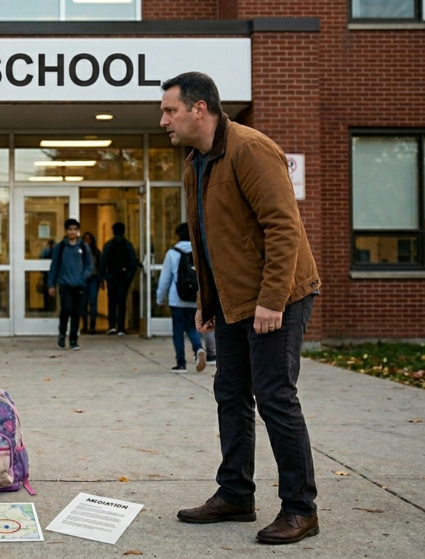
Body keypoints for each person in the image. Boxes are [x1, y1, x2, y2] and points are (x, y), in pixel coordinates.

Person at [161, 71, 322, 545]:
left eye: (170, 110)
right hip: (233, 301)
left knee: (274, 396)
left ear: (200, 110)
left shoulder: (250, 149)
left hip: (279, 295)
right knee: (230, 392)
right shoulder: (196, 163)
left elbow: (283, 227)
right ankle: (235, 494)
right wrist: (206, 302)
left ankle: (300, 508)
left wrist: (271, 300)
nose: (164, 120)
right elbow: (207, 239)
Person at [156, 223, 206, 373]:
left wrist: (160, 298)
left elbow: (165, 278)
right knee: (191, 326)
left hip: (177, 298)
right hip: (195, 297)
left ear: (177, 236)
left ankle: (181, 363)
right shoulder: (198, 251)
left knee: (178, 330)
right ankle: (198, 349)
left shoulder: (172, 253)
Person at [46, 218, 92, 351]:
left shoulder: (83, 246)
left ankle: (73, 340)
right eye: (70, 229)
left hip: (80, 285)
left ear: (78, 231)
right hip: (65, 283)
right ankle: (62, 334)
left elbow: (89, 265)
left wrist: (83, 277)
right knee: (66, 310)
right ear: (66, 231)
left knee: (77, 312)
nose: (72, 232)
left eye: (75, 229)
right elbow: (54, 266)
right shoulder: (60, 247)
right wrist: (51, 284)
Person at [100, 222, 137, 336]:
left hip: (111, 277)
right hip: (123, 277)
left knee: (112, 302)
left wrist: (103, 277)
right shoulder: (128, 245)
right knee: (122, 302)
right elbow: (132, 262)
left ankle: (112, 326)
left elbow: (103, 261)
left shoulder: (109, 245)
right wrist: (129, 277)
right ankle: (121, 327)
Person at [81, 232, 102, 334]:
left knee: (93, 301)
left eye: (89, 239)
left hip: (94, 278)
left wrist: (101, 280)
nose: (87, 241)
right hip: (83, 279)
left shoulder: (96, 252)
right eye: (85, 239)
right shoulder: (79, 252)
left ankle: (92, 325)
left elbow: (100, 267)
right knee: (83, 302)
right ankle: (84, 324)